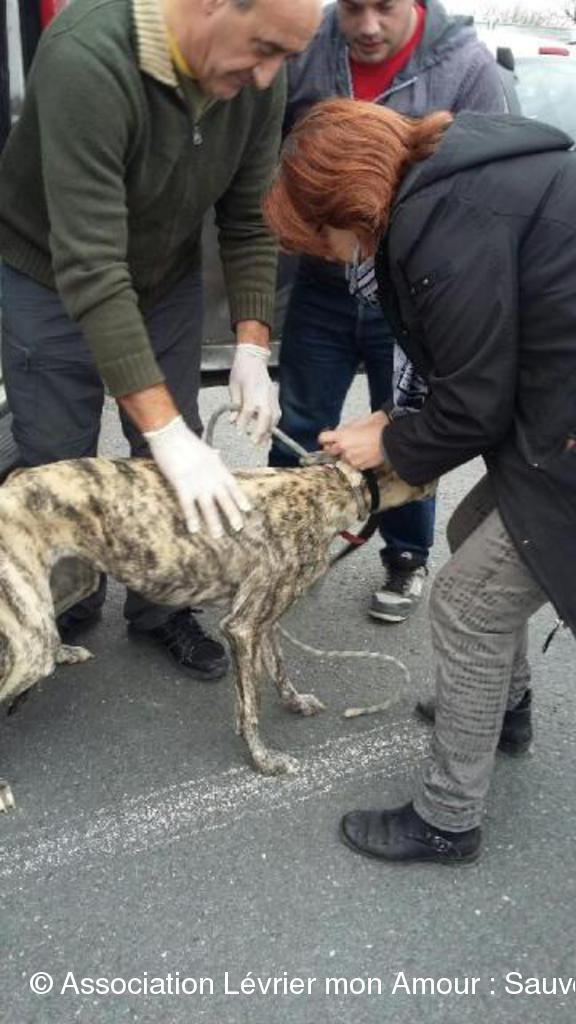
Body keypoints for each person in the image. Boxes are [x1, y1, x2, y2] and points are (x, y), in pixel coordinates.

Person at [263, 98, 576, 863]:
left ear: (348, 205)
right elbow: (477, 359)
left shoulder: (441, 229)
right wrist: (391, 422)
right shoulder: (444, 176)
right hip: (557, 401)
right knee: (475, 531)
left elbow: (474, 408)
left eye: (321, 239)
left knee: (468, 601)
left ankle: (447, 819)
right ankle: (504, 710)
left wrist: (389, 441)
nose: (328, 257)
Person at [0, 0, 322, 680]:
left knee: (173, 460)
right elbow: (91, 266)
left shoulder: (255, 71)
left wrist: (252, 343)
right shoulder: (86, 57)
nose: (269, 77)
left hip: (165, 278)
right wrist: (166, 429)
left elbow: (249, 217)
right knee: (60, 459)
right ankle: (68, 597)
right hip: (49, 275)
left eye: (285, 58)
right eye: (264, 48)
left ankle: (161, 606)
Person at [268, 0, 507, 625]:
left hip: (416, 284)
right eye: (354, 8)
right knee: (302, 418)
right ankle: (289, 547)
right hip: (323, 288)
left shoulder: (468, 68)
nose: (369, 26)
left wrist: (396, 425)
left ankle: (405, 555)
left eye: (385, 8)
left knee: (412, 423)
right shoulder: (306, 49)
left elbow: (459, 407)